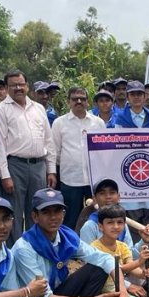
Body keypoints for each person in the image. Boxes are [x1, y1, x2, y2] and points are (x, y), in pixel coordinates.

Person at [12, 189, 131, 297]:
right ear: (35, 216)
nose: (53, 217)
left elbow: (105, 259)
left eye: (57, 211)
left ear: (64, 213)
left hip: (55, 290)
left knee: (97, 268)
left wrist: (123, 292)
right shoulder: (25, 248)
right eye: (46, 212)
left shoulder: (66, 236)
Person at [79, 178, 149, 297]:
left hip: (130, 274)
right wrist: (128, 286)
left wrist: (144, 241)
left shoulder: (122, 223)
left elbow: (129, 255)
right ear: (95, 198)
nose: (108, 197)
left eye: (112, 193)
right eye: (102, 193)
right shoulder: (89, 226)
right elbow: (92, 268)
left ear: (119, 197)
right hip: (107, 283)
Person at [0, 70, 56, 243]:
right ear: (6, 88)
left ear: (27, 86)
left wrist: (51, 170)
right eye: (13, 85)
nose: (18, 88)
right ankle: (15, 253)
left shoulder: (39, 108)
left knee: (38, 210)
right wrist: (5, 176)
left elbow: (48, 141)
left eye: (21, 84)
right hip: (15, 166)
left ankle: (36, 249)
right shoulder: (0, 111)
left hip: (38, 166)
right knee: (14, 213)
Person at [90, 204, 149, 297]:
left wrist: (143, 273)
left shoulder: (122, 246)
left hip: (120, 288)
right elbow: (116, 269)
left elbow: (131, 268)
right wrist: (139, 261)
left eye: (120, 222)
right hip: (103, 292)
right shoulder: (94, 247)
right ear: (100, 226)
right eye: (110, 222)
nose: (116, 226)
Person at [110, 81, 149, 230]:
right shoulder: (120, 118)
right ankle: (133, 245)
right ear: (128, 96)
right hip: (129, 167)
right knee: (131, 205)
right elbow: (117, 145)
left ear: (145, 96)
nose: (137, 97)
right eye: (133, 94)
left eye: (139, 94)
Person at [50, 87, 104, 230]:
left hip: (93, 179)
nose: (79, 101)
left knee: (96, 215)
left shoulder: (98, 123)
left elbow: (103, 152)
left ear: (88, 102)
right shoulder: (59, 123)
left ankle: (94, 247)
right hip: (70, 178)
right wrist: (54, 171)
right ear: (68, 102)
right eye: (74, 99)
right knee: (70, 217)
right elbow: (54, 151)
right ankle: (71, 248)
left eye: (82, 99)